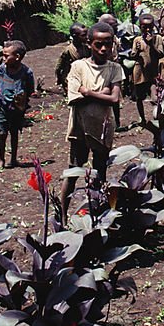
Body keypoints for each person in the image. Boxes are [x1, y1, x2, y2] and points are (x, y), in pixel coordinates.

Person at [60, 22, 124, 220]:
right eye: (98, 44)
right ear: (89, 44)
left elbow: (115, 99)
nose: (103, 49)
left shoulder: (115, 68)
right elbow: (73, 97)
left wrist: (88, 92)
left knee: (100, 173)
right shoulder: (78, 67)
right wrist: (101, 93)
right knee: (73, 172)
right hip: (80, 129)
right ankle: (62, 215)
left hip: (103, 129)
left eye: (108, 44)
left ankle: (97, 214)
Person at [0, 39, 35, 168]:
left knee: (15, 132)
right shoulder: (1, 70)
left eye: (6, 55)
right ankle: (1, 160)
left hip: (18, 108)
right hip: (2, 106)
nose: (3, 58)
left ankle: (14, 159)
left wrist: (23, 101)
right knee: (2, 132)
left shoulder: (26, 73)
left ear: (17, 57)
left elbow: (30, 90)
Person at [130, 13, 162, 126]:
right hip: (140, 72)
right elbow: (132, 56)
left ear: (154, 26)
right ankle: (142, 119)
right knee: (139, 97)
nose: (147, 29)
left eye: (150, 27)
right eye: (144, 27)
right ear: (140, 27)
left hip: (153, 72)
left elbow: (161, 54)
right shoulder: (137, 40)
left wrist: (151, 45)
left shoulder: (157, 39)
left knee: (155, 97)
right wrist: (137, 51)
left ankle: (157, 118)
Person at [55, 22, 88, 95]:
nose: (86, 37)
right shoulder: (68, 51)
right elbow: (59, 67)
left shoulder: (87, 48)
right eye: (83, 35)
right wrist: (59, 80)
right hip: (72, 79)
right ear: (75, 36)